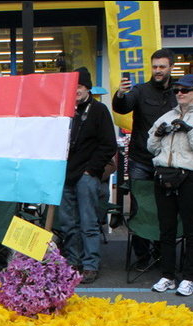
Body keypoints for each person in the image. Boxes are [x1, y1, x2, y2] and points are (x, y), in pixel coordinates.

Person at [147, 73, 193, 297]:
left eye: (185, 90)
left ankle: (190, 278)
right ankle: (168, 275)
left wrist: (190, 130)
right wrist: (158, 134)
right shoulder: (166, 116)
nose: (180, 93)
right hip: (164, 174)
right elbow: (151, 147)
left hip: (190, 177)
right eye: (177, 90)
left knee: (191, 229)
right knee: (166, 229)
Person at [112, 49, 178, 269]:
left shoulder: (178, 92)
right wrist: (120, 94)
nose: (157, 70)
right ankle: (142, 255)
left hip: (168, 161)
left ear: (171, 68)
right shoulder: (140, 90)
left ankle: (161, 252)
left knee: (165, 209)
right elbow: (122, 107)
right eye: (155, 66)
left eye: (162, 67)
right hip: (141, 159)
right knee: (140, 208)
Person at [54, 67, 117, 284]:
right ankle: (73, 262)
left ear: (88, 88)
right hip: (65, 175)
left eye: (79, 86)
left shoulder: (99, 110)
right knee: (67, 223)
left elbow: (108, 144)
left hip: (86, 175)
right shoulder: (64, 110)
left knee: (89, 222)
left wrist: (92, 169)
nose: (76, 91)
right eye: (73, 87)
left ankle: (90, 264)